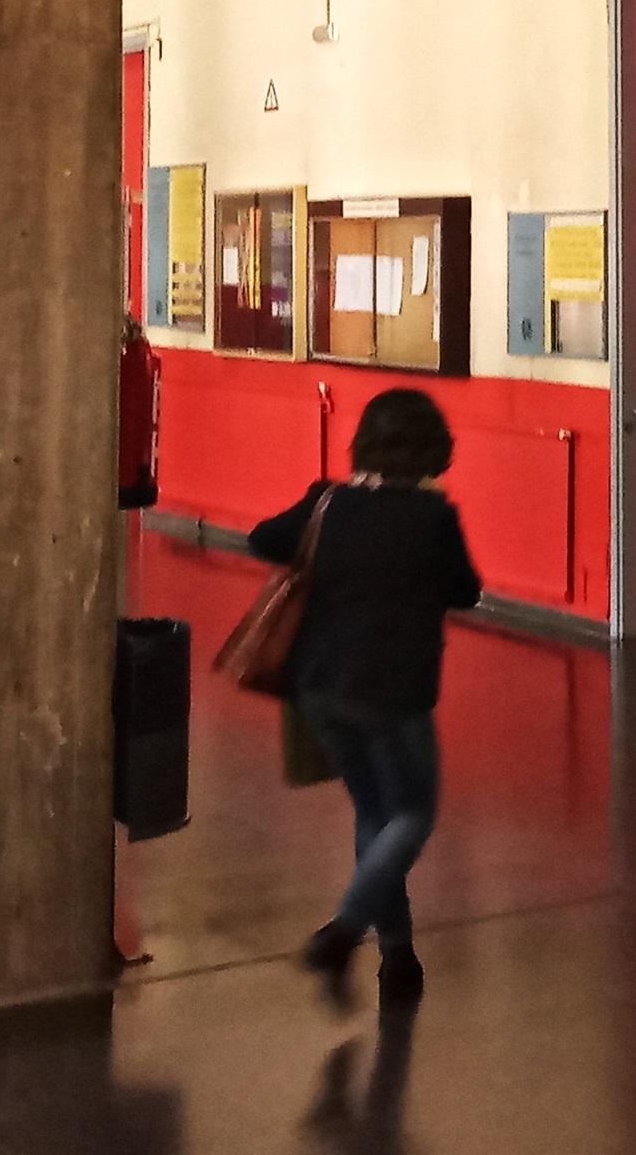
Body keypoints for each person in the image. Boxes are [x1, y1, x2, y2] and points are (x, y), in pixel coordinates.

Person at [248, 388, 481, 1002]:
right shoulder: (433, 518)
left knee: (375, 813)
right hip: (395, 691)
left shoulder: (328, 502)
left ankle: (398, 957)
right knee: (413, 814)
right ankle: (346, 929)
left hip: (322, 686)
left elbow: (262, 540)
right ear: (432, 449)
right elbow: (466, 590)